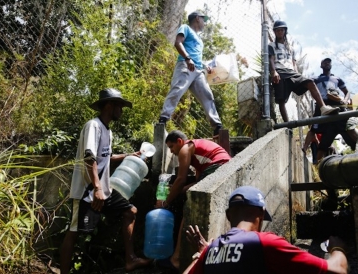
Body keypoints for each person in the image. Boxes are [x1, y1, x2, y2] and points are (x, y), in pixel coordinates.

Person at [60, 88, 150, 274]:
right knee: (74, 230)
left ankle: (130, 260)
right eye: (120, 106)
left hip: (102, 189)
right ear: (109, 105)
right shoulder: (93, 126)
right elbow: (89, 157)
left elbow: (105, 157)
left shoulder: (107, 131)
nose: (121, 111)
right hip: (88, 190)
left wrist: (128, 155)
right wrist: (97, 188)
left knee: (130, 211)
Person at [184, 186, 348, 274]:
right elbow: (337, 270)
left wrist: (202, 255)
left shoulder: (210, 251)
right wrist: (337, 249)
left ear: (228, 215)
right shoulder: (265, 243)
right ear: (261, 213)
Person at [155, 130, 231, 270]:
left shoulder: (185, 148)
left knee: (189, 209)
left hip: (218, 166)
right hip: (223, 168)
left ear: (179, 141)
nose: (171, 152)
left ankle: (176, 258)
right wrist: (179, 190)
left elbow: (180, 179)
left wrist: (165, 203)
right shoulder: (198, 154)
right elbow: (196, 182)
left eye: (171, 147)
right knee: (187, 200)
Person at [158, 11, 223, 136]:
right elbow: (178, 43)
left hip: (198, 71)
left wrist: (205, 66)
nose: (205, 23)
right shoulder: (185, 28)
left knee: (207, 95)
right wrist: (187, 58)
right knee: (177, 90)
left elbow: (196, 56)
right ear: (197, 18)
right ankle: (164, 119)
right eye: (204, 20)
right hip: (185, 65)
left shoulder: (199, 39)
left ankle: (217, 126)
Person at [269, 20, 339, 122]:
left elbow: (293, 63)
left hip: (292, 72)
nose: (279, 32)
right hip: (280, 71)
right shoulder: (271, 45)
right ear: (275, 32)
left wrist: (297, 73)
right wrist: (274, 72)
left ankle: (323, 107)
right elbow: (271, 59)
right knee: (281, 100)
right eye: (277, 30)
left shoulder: (290, 48)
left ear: (285, 31)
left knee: (310, 82)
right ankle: (288, 125)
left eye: (281, 30)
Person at [311, 58, 358, 162]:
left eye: (329, 62)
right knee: (323, 144)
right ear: (321, 66)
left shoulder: (337, 78)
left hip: (338, 108)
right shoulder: (316, 79)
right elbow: (309, 86)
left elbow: (347, 92)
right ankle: (316, 168)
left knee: (351, 132)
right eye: (324, 62)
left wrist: (346, 101)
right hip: (325, 109)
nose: (327, 63)